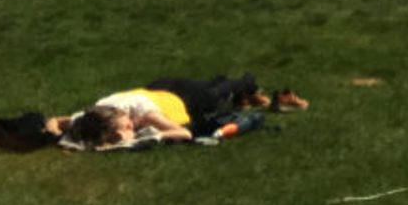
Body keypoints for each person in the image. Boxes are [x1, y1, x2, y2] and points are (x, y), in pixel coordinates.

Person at [50, 73, 303, 146]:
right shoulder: (90, 117)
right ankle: (233, 88)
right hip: (157, 87)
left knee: (218, 96)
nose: (127, 131)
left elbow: (183, 134)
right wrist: (53, 133)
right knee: (213, 86)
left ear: (124, 117)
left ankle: (249, 84)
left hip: (182, 98)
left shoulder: (145, 115)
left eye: (125, 127)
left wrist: (153, 135)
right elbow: (55, 121)